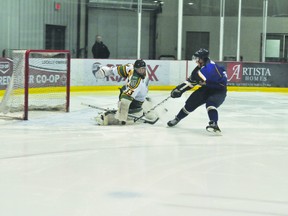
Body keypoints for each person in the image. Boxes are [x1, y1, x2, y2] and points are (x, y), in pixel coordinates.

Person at [167, 48, 227, 133]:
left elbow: (222, 83)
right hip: (206, 89)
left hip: (219, 91)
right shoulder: (198, 70)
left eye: (197, 58)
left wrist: (209, 83)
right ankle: (177, 118)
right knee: (191, 102)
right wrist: (179, 89)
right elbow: (191, 82)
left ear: (202, 59)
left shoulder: (211, 68)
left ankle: (214, 123)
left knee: (211, 103)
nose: (195, 61)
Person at [92, 59, 157, 125]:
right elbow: (113, 71)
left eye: (143, 69)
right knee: (129, 101)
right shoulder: (131, 71)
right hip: (137, 100)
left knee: (131, 104)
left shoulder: (136, 79)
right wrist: (103, 71)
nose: (141, 71)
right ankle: (148, 111)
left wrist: (122, 116)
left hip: (137, 103)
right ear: (134, 68)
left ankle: (110, 117)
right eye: (139, 69)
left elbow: (126, 100)